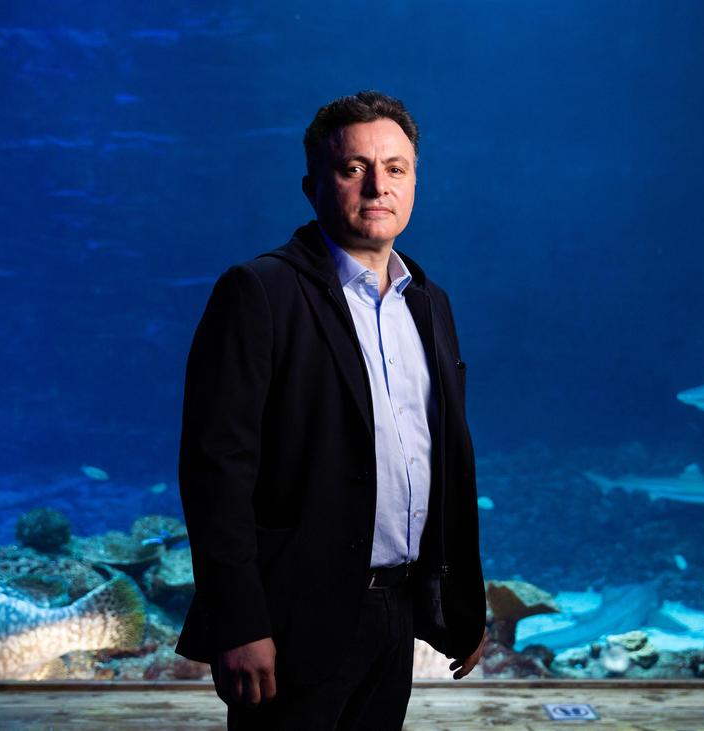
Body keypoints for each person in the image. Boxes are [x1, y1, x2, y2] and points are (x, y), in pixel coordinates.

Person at [175, 90, 487, 730]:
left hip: (397, 612)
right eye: (353, 169)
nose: (378, 186)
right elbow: (215, 472)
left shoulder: (430, 303)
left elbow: (446, 462)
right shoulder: (258, 292)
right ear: (312, 185)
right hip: (292, 620)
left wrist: (460, 604)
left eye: (396, 168)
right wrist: (239, 622)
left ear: (415, 181)